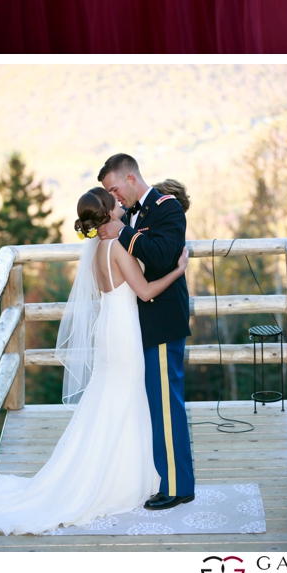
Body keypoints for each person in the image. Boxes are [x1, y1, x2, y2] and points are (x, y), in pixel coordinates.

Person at [0, 189, 188, 534]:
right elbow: (145, 292)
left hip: (109, 328)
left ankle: (117, 473)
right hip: (124, 333)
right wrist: (179, 269)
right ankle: (118, 480)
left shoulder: (99, 249)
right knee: (124, 399)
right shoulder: (115, 247)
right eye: (115, 202)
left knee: (110, 398)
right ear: (109, 212)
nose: (122, 204)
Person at [97, 153, 195, 510]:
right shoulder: (138, 213)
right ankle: (168, 478)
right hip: (144, 323)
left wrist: (123, 232)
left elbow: (161, 255)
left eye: (114, 188)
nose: (114, 196)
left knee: (168, 407)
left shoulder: (167, 207)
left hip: (163, 321)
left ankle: (178, 486)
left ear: (131, 179)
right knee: (158, 404)